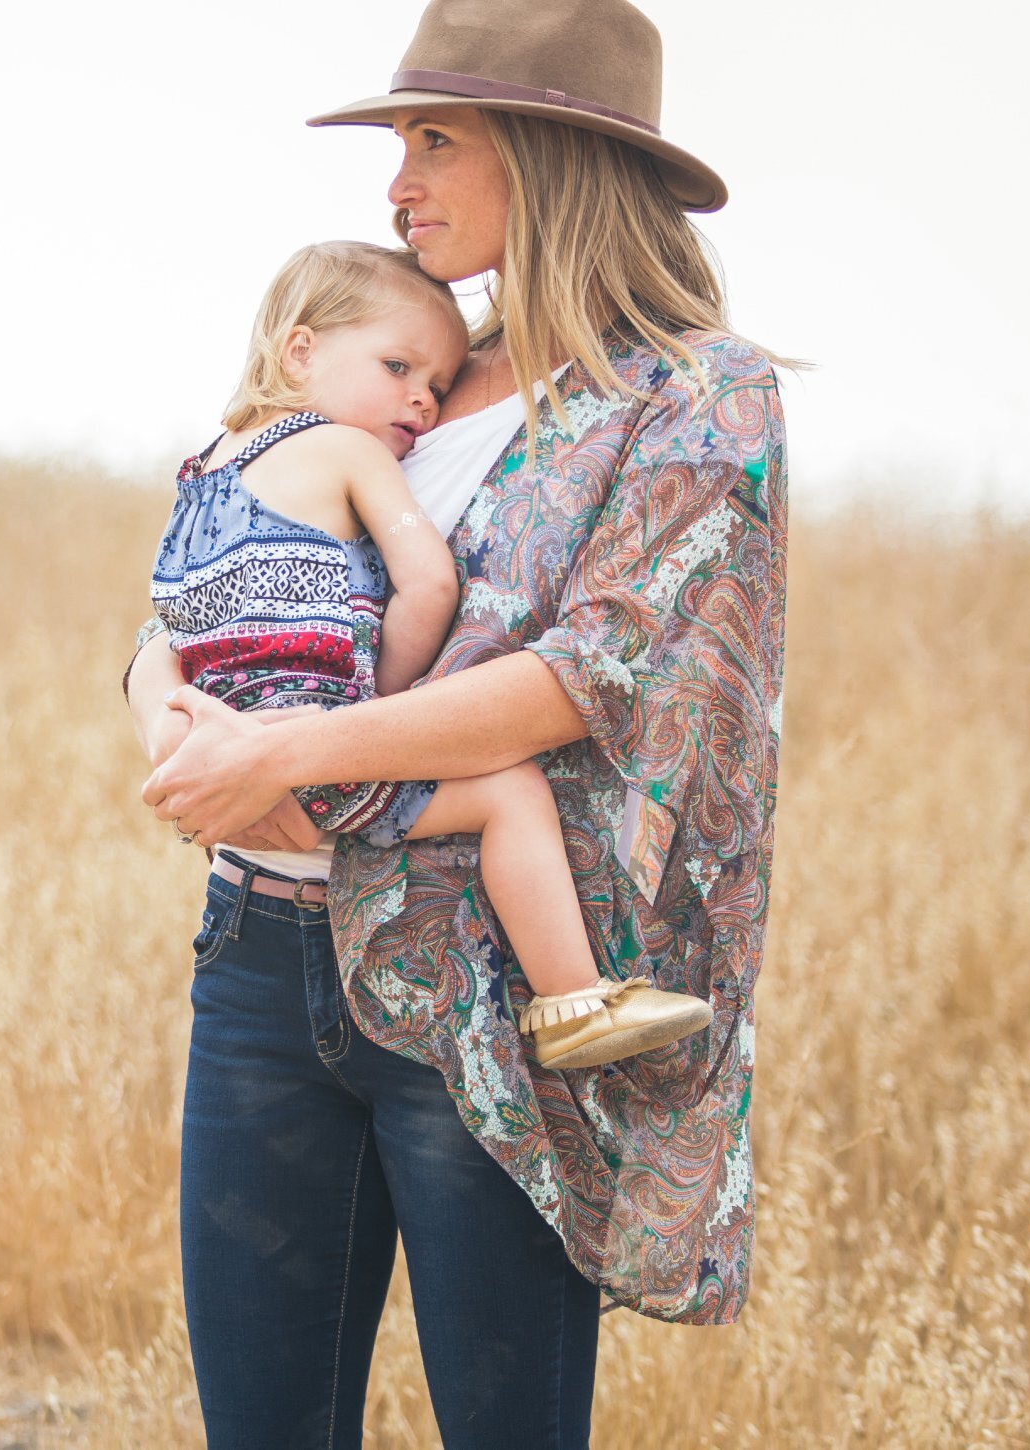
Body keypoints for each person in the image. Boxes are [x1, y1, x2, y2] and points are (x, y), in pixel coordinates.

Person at [127, 1, 788, 1445]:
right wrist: (166, 716)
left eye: (436, 137)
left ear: (550, 156)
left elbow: (588, 674)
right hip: (260, 956)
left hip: (485, 986)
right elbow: (211, 578)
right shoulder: (393, 366)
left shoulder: (689, 396)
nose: (398, 180)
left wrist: (286, 751)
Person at [150, 238, 713, 1071]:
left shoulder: (203, 472)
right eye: (398, 367)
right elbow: (431, 587)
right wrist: (379, 709)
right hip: (319, 757)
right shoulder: (351, 450)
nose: (420, 400)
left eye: (437, 386)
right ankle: (573, 1003)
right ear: (300, 350)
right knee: (512, 794)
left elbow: (171, 623)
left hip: (232, 776)